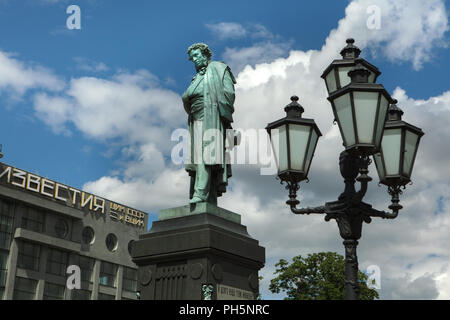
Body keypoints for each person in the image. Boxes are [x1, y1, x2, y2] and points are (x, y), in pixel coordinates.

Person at [181, 43, 236, 205]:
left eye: (197, 55)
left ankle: (200, 192)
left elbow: (229, 92)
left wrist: (220, 112)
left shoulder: (219, 68)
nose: (195, 60)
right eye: (192, 58)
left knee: (206, 154)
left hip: (211, 115)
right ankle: (208, 196)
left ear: (205, 54)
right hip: (195, 119)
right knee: (198, 157)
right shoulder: (196, 78)